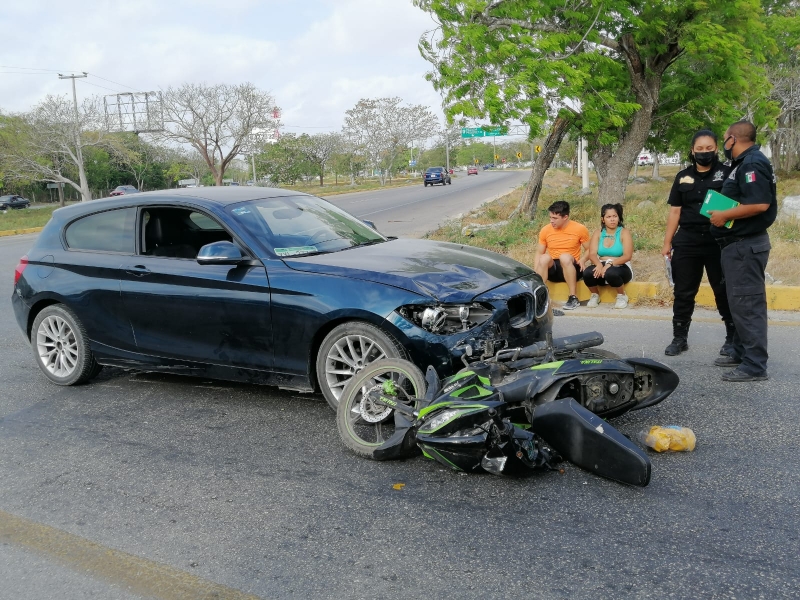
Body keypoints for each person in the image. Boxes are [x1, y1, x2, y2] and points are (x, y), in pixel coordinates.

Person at [708, 121, 777, 382]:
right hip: (735, 246)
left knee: (748, 304)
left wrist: (724, 214)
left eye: (725, 138)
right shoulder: (742, 164)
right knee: (738, 302)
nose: (724, 143)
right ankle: (740, 351)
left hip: (745, 245)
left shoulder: (751, 163)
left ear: (733, 139)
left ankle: (755, 365)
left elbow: (760, 203)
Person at [661, 129, 734, 357]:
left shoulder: (728, 173)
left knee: (722, 290)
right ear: (692, 151)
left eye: (709, 148)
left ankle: (732, 338)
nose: (704, 153)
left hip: (718, 240)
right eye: (700, 149)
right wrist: (667, 243)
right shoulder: (682, 176)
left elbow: (737, 206)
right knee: (683, 292)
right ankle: (679, 338)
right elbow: (675, 211)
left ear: (716, 149)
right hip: (687, 241)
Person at [535, 201, 590, 310]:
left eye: (555, 218)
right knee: (544, 258)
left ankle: (573, 297)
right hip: (554, 269)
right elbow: (539, 253)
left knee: (564, 257)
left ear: (565, 217)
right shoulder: (545, 230)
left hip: (572, 267)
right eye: (550, 217)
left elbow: (590, 249)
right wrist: (536, 271)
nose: (551, 221)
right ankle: (538, 296)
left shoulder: (579, 228)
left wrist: (583, 259)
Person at [582, 203, 633, 309]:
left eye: (615, 216)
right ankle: (595, 295)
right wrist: (598, 265)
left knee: (611, 273)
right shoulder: (598, 233)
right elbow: (592, 254)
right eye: (608, 217)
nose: (612, 219)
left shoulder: (624, 232)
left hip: (621, 266)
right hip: (601, 264)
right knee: (587, 273)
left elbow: (627, 256)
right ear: (603, 219)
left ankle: (622, 296)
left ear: (619, 218)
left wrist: (609, 263)